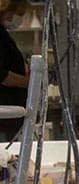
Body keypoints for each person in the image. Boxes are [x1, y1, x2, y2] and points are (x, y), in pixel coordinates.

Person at [0, 0, 29, 141]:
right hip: (4, 117)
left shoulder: (3, 34)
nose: (17, 19)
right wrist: (28, 83)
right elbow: (2, 75)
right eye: (18, 14)